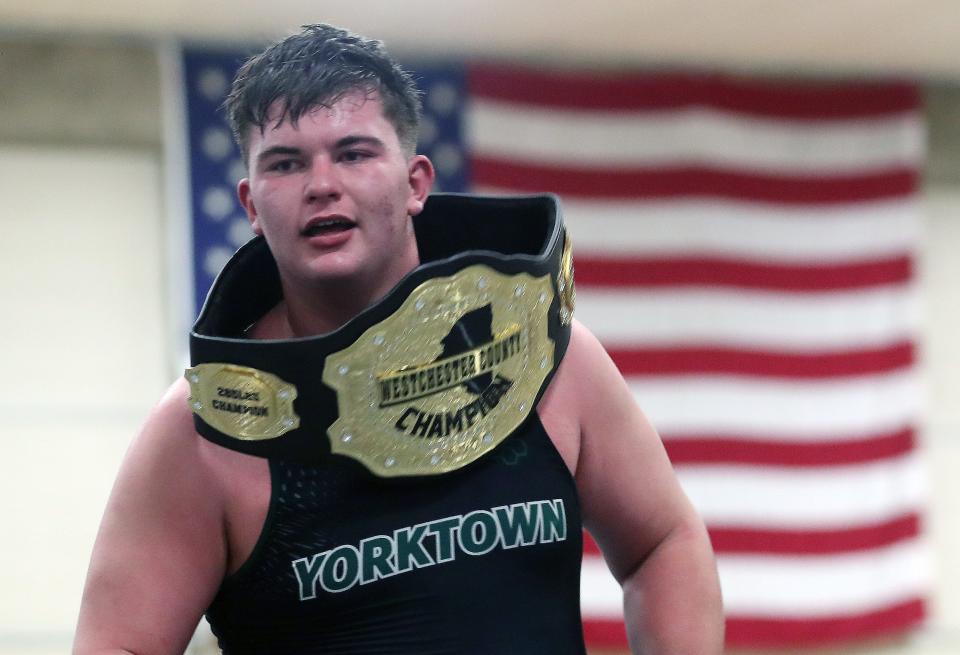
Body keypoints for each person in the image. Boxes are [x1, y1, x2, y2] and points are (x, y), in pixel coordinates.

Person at [74, 24, 723, 655]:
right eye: (286, 163)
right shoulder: (203, 432)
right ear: (249, 203)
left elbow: (664, 542)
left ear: (416, 183)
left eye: (354, 153)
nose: (322, 183)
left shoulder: (550, 357)